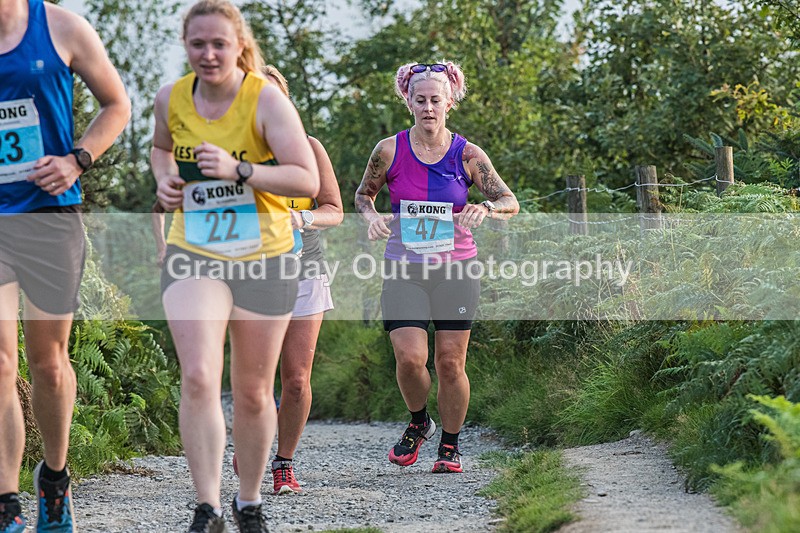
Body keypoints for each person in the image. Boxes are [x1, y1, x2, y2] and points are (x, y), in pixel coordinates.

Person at [150, 1, 318, 531]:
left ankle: (249, 503)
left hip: (262, 256)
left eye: (218, 44)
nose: (208, 54)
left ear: (239, 45)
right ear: (186, 45)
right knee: (199, 376)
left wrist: (240, 170)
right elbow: (159, 149)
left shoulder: (264, 100)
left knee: (251, 389)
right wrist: (164, 182)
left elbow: (306, 181)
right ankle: (208, 506)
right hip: (194, 251)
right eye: (197, 44)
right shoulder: (170, 99)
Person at [156, 65, 344, 495]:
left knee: (296, 380)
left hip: (304, 266)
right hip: (247, 269)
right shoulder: (227, 152)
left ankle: (284, 462)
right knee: (252, 378)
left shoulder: (310, 149)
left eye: (273, 99)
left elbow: (334, 208)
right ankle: (253, 440)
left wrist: (302, 217)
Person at [0, 0, 131, 530]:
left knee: (48, 364)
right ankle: (5, 502)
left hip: (48, 216)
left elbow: (116, 105)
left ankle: (54, 478)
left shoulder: (60, 26)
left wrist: (77, 158)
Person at [354, 61, 519, 473]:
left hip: (456, 269)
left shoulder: (468, 154)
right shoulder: (388, 150)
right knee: (410, 359)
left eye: (435, 100)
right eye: (420, 99)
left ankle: (450, 444)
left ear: (450, 102)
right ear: (408, 101)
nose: (428, 107)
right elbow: (362, 196)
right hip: (404, 268)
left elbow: (509, 201)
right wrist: (372, 217)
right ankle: (419, 421)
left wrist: (485, 208)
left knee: (449, 362)